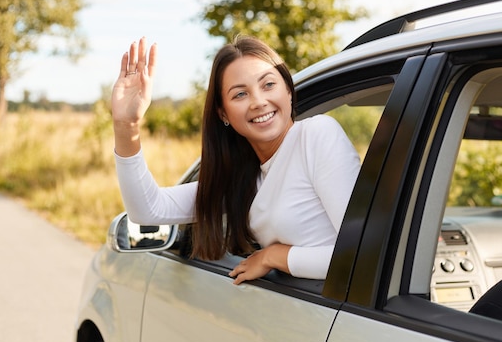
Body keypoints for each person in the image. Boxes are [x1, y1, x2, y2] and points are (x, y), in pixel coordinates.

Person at [112, 35, 360, 285]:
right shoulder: (244, 181)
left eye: (268, 85)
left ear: (288, 90)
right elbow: (148, 209)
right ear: (223, 114)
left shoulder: (316, 135)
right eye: (240, 94)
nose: (259, 102)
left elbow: (360, 257)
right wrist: (126, 124)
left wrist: (272, 256)